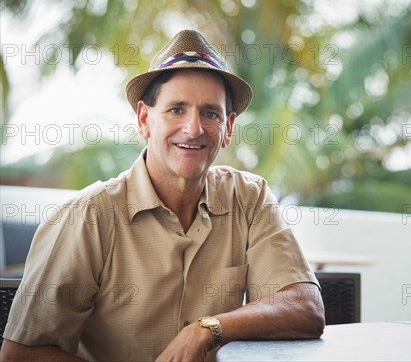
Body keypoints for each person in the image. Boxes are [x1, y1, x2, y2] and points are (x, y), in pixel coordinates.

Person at [1, 29, 325, 361]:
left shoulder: (250, 198)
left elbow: (305, 306)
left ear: (228, 128)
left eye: (210, 113)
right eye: (177, 110)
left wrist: (206, 329)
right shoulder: (87, 216)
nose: (194, 129)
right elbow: (20, 356)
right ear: (144, 120)